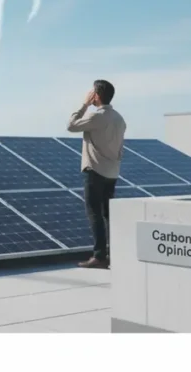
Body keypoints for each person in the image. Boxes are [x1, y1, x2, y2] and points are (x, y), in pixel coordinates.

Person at [67, 79, 126, 269]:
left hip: (95, 170)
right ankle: (115, 254)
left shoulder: (96, 116)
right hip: (112, 172)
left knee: (95, 213)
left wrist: (84, 104)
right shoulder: (119, 119)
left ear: (97, 95)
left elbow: (71, 125)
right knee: (109, 214)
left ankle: (99, 256)